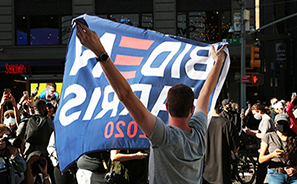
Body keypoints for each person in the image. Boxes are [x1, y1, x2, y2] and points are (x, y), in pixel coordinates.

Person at [75, 21, 227, 184]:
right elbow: (205, 93)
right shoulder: (198, 133)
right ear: (191, 109)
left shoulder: (163, 136)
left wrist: (100, 52)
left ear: (167, 106)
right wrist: (218, 62)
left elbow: (126, 95)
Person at [203, 101, 240, 184]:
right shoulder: (227, 124)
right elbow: (235, 149)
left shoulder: (202, 124)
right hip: (222, 172)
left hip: (204, 174)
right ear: (219, 106)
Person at [259, 113, 297, 184]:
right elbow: (261, 159)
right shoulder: (268, 137)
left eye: (285, 123)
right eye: (280, 123)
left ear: (289, 124)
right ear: (275, 124)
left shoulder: (294, 137)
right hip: (275, 174)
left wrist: (296, 169)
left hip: (293, 175)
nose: (282, 125)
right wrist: (272, 155)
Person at [243, 103, 275, 184]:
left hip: (266, 148)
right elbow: (261, 132)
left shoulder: (266, 120)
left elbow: (263, 135)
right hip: (265, 147)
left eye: (254, 113)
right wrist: (251, 131)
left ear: (259, 111)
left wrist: (251, 133)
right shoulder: (265, 119)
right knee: (262, 169)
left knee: (261, 169)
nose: (254, 116)